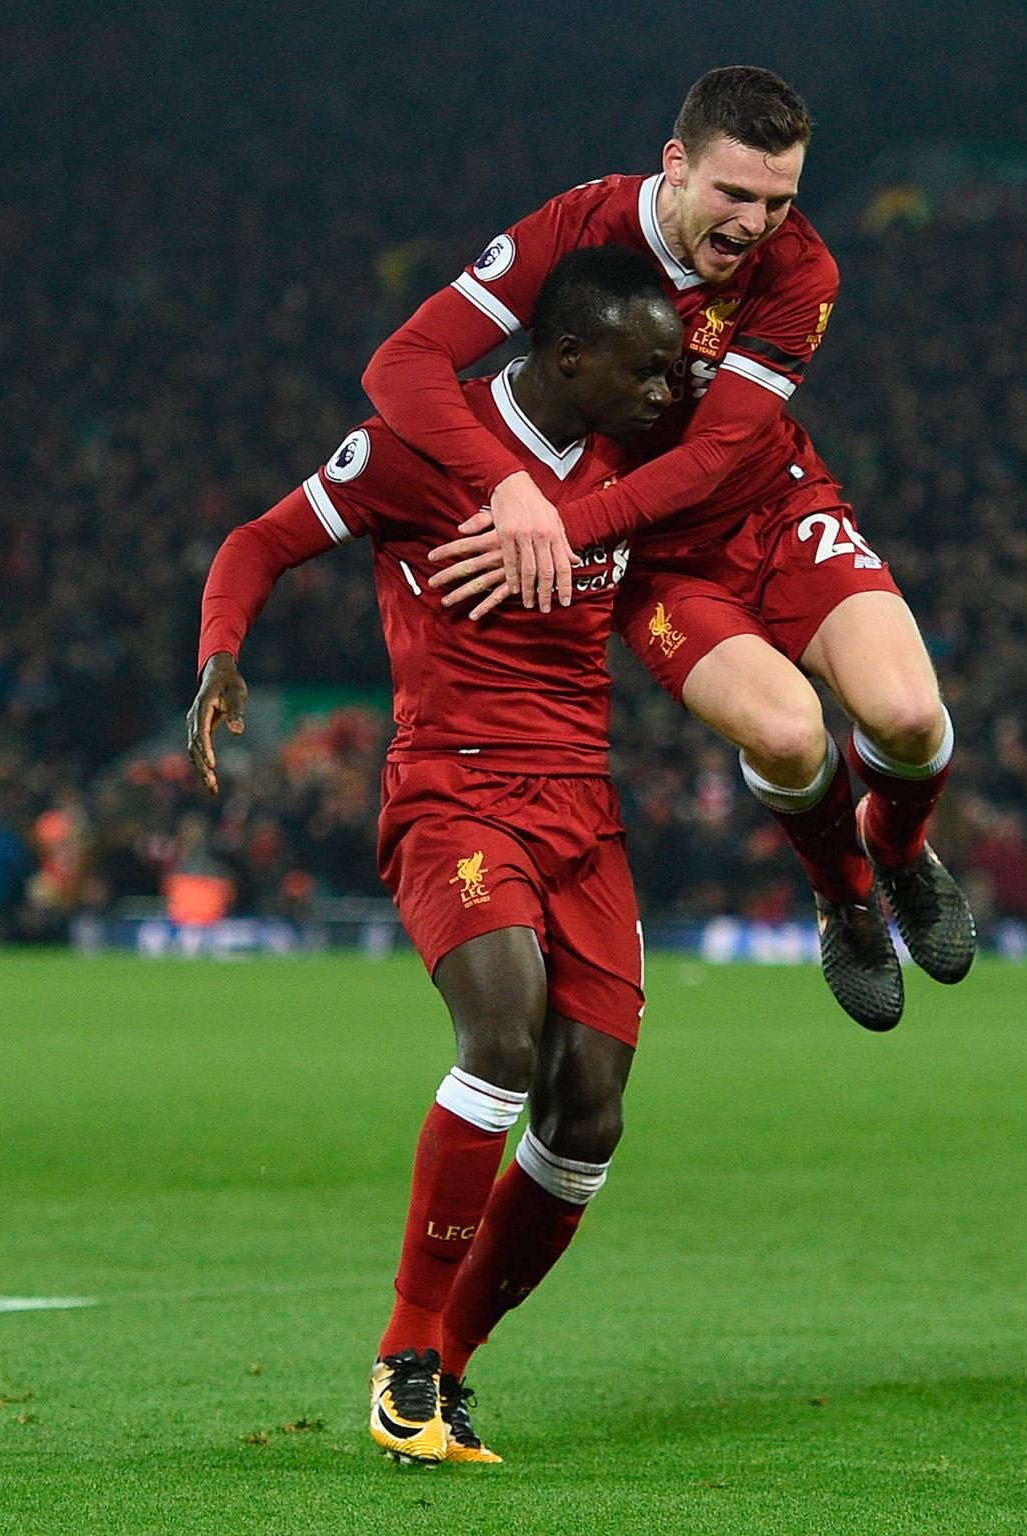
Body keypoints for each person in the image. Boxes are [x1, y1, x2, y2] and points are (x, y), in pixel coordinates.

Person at [188, 248, 682, 1465]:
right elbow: (257, 542)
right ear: (568, 358)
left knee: (589, 1119)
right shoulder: (415, 443)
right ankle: (403, 1353)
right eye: (646, 367)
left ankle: (446, 1369)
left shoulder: (642, 460)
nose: (669, 389)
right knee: (502, 1037)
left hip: (584, 813)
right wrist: (219, 652)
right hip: (454, 794)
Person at [364, 65, 978, 1030]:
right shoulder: (577, 231)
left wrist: (559, 525)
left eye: (780, 199)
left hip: (772, 508)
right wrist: (512, 487)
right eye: (734, 193)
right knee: (784, 732)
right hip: (650, 552)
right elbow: (401, 363)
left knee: (905, 713)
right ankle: (845, 892)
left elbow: (716, 455)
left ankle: (900, 852)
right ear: (676, 165)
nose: (755, 222)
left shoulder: (801, 270)